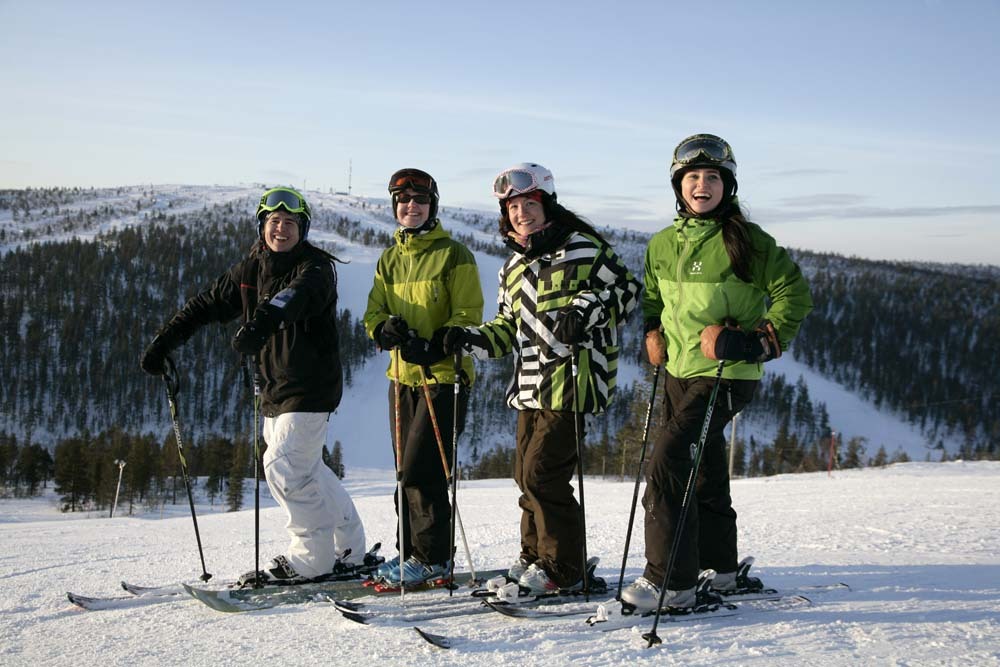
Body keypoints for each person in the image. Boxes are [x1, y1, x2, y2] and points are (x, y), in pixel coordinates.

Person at [139, 186, 371, 586]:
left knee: (283, 467)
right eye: (274, 222)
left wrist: (261, 323)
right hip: (274, 389)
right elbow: (205, 304)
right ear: (262, 226)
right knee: (306, 469)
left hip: (309, 386)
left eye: (290, 223)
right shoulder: (251, 269)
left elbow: (291, 299)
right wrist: (164, 341)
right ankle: (349, 546)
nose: (281, 229)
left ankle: (311, 559)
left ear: (303, 229)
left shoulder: (315, 268)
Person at [621, 134, 814, 612]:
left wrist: (756, 340)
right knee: (703, 468)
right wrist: (651, 329)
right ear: (678, 185)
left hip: (728, 374)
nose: (702, 185)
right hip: (679, 372)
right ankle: (719, 570)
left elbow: (795, 294)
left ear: (727, 186)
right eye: (692, 177)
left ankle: (671, 582)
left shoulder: (747, 240)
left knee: (667, 461)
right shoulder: (663, 244)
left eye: (712, 177)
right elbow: (652, 297)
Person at [437, 163, 641, 595]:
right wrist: (468, 338)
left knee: (542, 474)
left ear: (546, 203)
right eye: (513, 207)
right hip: (529, 384)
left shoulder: (583, 249)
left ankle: (564, 567)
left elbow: (626, 292)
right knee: (524, 476)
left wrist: (585, 309)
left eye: (529, 203)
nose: (521, 213)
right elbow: (507, 330)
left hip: (573, 379)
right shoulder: (512, 268)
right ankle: (534, 557)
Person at [363, 168, 484, 586]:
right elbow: (373, 311)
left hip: (443, 377)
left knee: (424, 470)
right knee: (404, 474)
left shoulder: (454, 254)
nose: (410, 206)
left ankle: (433, 558)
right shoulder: (389, 257)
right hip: (402, 379)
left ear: (433, 205)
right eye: (402, 200)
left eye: (419, 199)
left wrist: (438, 345)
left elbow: (468, 314)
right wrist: (384, 330)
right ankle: (411, 553)